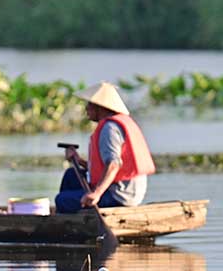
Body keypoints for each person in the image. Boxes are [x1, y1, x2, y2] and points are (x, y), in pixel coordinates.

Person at [54, 81, 156, 214]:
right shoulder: (117, 123)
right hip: (125, 190)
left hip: (119, 195)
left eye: (90, 104)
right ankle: (76, 215)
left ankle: (72, 222)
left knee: (61, 200)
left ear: (100, 107)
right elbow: (106, 168)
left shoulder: (109, 128)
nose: (86, 108)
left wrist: (96, 194)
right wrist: (79, 161)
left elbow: (114, 164)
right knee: (71, 175)